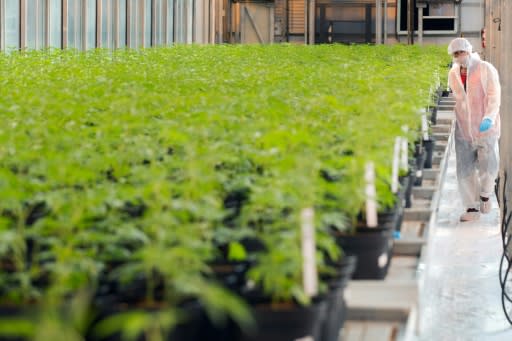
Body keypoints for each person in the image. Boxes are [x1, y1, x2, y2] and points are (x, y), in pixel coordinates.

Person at [447, 37, 501, 222]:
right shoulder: (453, 73)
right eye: (456, 54)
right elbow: (458, 98)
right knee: (464, 168)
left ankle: (485, 194)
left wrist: (489, 117)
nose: (459, 56)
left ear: (469, 51)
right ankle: (471, 208)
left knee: (489, 164)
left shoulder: (485, 68)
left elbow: (494, 95)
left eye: (461, 52)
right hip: (464, 128)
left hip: (485, 126)